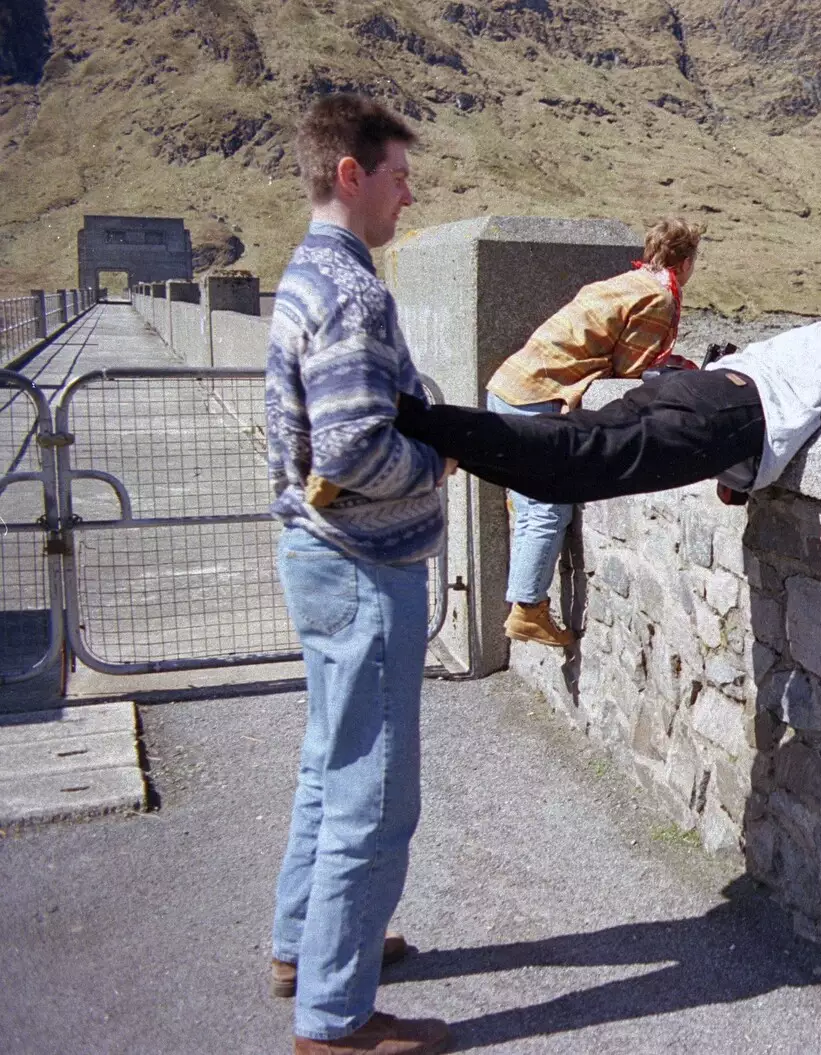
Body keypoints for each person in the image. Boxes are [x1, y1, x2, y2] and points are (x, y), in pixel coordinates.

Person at [263, 94, 454, 1055]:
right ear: (352, 173)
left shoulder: (303, 275)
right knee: (373, 793)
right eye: (398, 174)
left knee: (325, 765)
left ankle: (305, 947)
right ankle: (336, 1019)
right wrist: (439, 463)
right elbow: (350, 451)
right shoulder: (352, 290)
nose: (407, 195)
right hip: (361, 562)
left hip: (314, 554)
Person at [390, 288, 821, 513]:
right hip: (736, 414)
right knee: (571, 464)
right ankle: (419, 421)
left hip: (704, 386)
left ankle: (436, 434)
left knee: (568, 462)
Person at [486, 217, 703, 647]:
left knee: (530, 501)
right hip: (536, 397)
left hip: (509, 386)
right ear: (686, 261)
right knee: (548, 507)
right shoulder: (658, 299)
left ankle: (527, 595)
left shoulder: (626, 281)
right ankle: (528, 610)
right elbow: (632, 372)